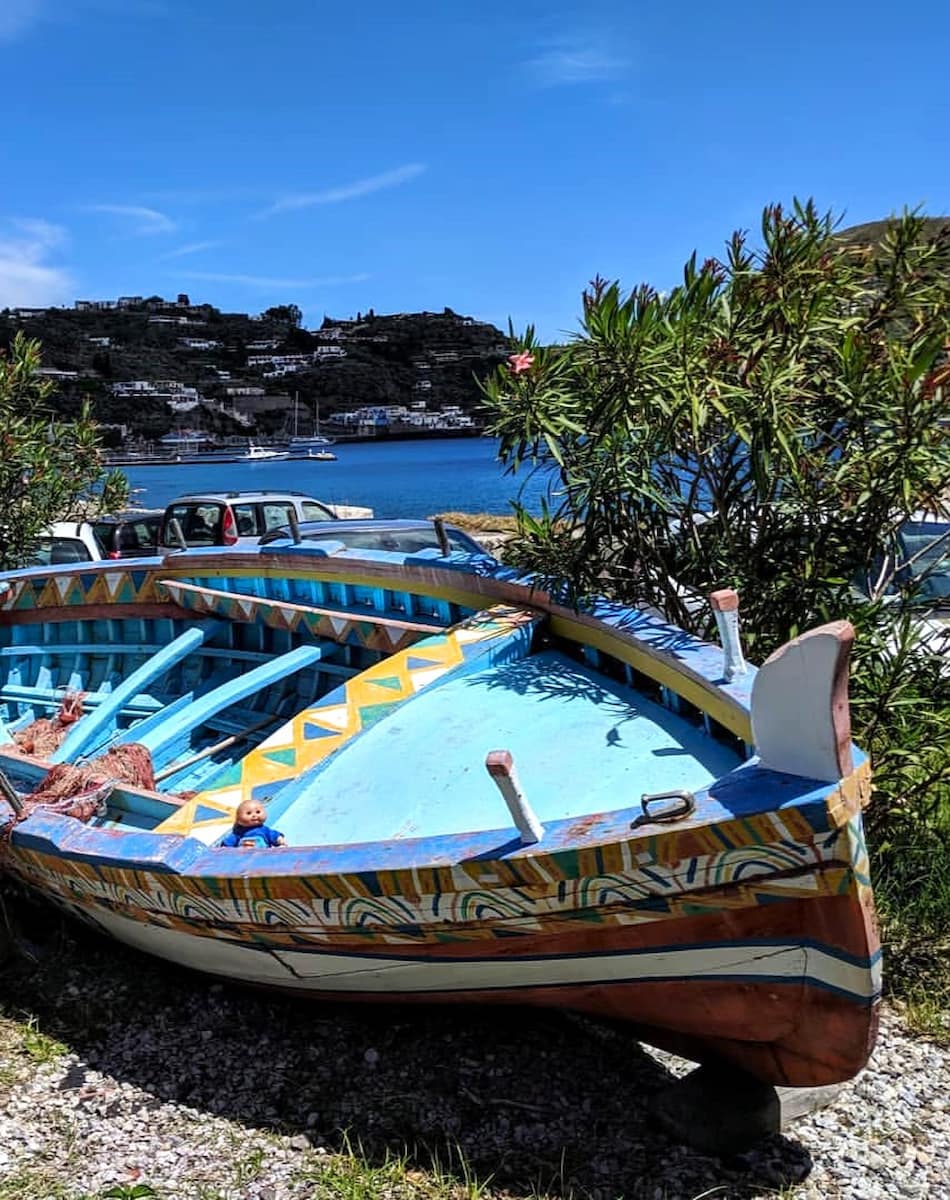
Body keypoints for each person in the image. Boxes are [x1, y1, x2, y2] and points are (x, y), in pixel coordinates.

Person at [220, 798, 286, 848]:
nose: (254, 815)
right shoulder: (238, 833)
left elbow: (274, 836)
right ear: (239, 820)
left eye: (258, 812)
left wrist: (279, 840)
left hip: (263, 853)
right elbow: (229, 842)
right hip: (243, 854)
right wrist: (225, 847)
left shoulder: (265, 830)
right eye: (249, 813)